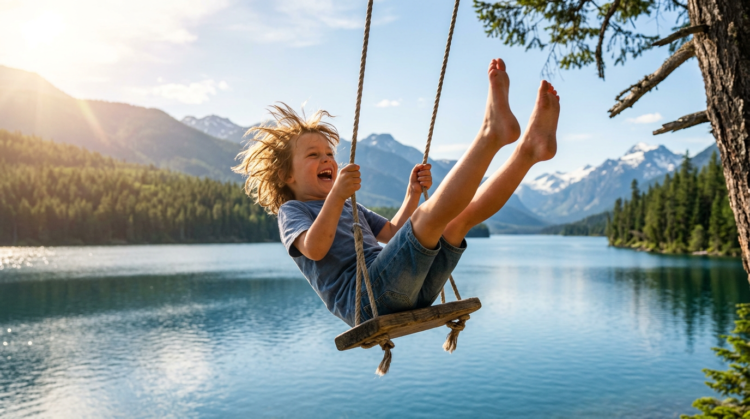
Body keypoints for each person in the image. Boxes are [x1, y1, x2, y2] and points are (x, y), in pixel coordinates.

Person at [234, 59, 559, 327]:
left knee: (457, 222)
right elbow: (315, 249)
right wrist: (336, 198)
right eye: (313, 155)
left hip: (407, 290)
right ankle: (491, 133)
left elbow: (392, 232)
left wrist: (412, 195)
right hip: (367, 302)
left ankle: (529, 151)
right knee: (430, 222)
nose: (327, 159)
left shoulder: (347, 205)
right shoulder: (293, 211)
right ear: (285, 175)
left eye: (329, 154)